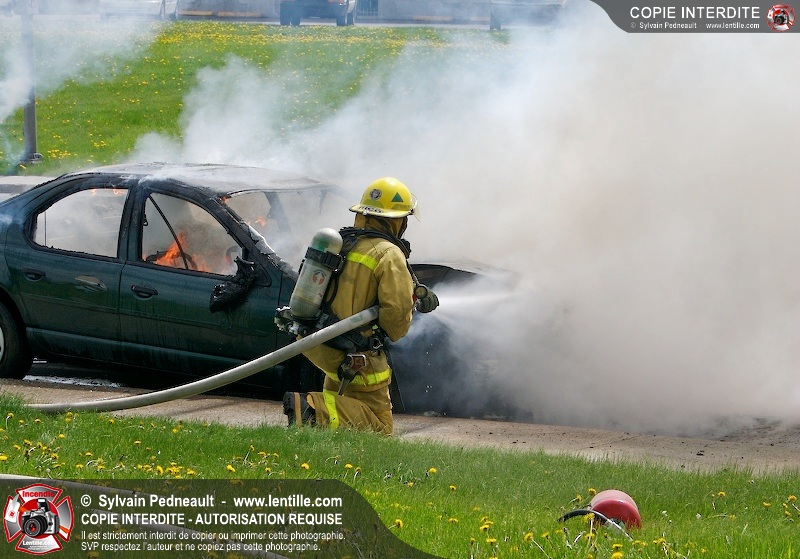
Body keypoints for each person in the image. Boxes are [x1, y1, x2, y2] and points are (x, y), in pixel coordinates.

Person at [283, 177, 437, 435]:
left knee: (341, 414)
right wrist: (409, 307)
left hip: (325, 345)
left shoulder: (344, 242)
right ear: (396, 220)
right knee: (380, 428)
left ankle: (319, 422)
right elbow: (395, 323)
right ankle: (310, 408)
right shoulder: (388, 254)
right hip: (358, 358)